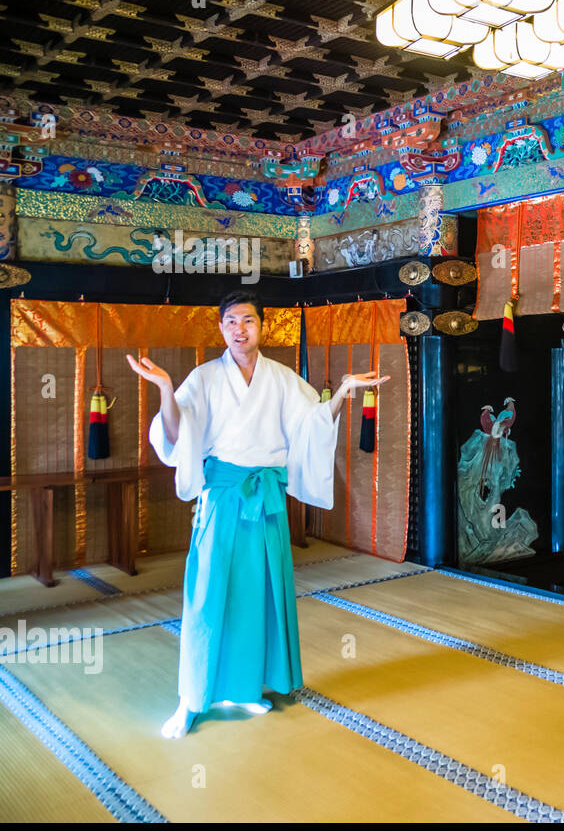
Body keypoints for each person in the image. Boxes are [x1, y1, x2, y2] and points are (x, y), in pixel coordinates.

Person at [128, 291, 389, 739]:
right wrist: (166, 389)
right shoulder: (205, 378)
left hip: (266, 497)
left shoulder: (281, 378)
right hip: (224, 496)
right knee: (208, 593)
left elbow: (313, 423)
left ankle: (245, 686)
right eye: (230, 322)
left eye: (247, 321)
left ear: (261, 326)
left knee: (258, 592)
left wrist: (343, 392)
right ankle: (190, 700)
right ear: (221, 329)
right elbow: (176, 433)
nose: (239, 330)